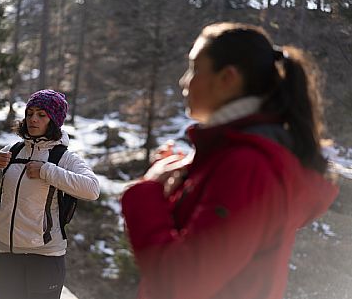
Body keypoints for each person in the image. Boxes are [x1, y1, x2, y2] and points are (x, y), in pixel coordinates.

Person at [121, 22, 338, 299]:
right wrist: (178, 187)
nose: (183, 81)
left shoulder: (248, 165)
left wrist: (147, 190)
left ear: (228, 78)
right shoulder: (233, 156)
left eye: (194, 69)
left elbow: (181, 282)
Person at [0, 89, 100, 299]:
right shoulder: (13, 152)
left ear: (53, 120)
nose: (33, 119)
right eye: (30, 113)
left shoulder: (62, 157)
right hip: (7, 253)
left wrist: (46, 170)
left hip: (45, 257)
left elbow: (92, 189)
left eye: (41, 115)